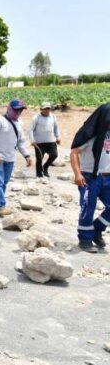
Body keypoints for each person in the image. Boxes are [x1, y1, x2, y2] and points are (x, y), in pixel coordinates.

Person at [70, 103, 110, 253]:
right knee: (88, 207)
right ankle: (85, 239)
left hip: (108, 177)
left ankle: (97, 229)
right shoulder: (89, 134)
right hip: (89, 177)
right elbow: (74, 153)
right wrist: (77, 174)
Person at [0, 99, 32, 216]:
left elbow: (20, 142)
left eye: (21, 110)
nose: (18, 112)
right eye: (16, 110)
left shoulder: (20, 123)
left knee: (4, 182)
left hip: (10, 158)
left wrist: (26, 155)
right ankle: (0, 206)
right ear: (9, 108)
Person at [29, 102, 61, 178]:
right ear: (41, 109)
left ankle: (45, 167)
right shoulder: (36, 118)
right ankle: (39, 174)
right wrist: (32, 140)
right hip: (39, 143)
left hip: (51, 141)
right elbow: (30, 130)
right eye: (45, 109)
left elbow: (56, 127)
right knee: (39, 159)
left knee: (54, 155)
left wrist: (58, 137)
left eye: (48, 109)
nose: (46, 110)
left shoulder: (53, 116)